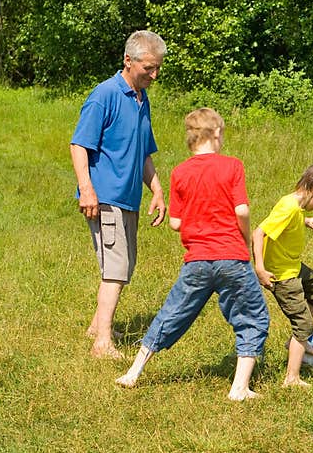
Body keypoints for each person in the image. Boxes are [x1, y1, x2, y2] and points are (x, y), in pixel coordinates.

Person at [115, 107, 270, 401]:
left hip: (197, 260)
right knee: (253, 316)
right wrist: (245, 237)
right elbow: (242, 210)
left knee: (172, 313)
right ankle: (239, 388)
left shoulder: (180, 172)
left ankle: (133, 372)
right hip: (232, 257)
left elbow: (175, 222)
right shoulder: (232, 166)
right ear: (217, 133)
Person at [70, 30, 168, 359]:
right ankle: (102, 344)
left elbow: (144, 152)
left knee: (124, 268)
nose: (154, 75)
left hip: (129, 198)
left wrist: (156, 189)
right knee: (115, 268)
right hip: (105, 195)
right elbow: (79, 145)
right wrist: (87, 189)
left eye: (158, 69)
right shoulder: (105, 95)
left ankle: (96, 326)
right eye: (148, 68)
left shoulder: (142, 99)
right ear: (129, 60)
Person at [252, 164, 313, 387]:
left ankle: (298, 341)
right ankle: (291, 378)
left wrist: (307, 222)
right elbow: (258, 232)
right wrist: (260, 269)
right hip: (282, 275)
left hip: (294, 266)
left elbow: (287, 222)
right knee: (303, 324)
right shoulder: (289, 207)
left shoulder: (297, 208)